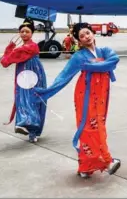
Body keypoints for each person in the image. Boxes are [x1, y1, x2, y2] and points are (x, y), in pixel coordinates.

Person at [33, 22, 121, 179]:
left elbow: (114, 60)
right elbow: (64, 76)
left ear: (92, 33)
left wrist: (92, 66)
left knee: (99, 124)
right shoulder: (78, 57)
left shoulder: (104, 50)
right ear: (79, 41)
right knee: (89, 127)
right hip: (86, 94)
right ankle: (107, 161)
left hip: (101, 94)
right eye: (82, 36)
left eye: (87, 33)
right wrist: (45, 92)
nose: (86, 37)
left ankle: (85, 167)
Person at [0, 19, 48, 143]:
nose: (24, 34)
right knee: (23, 100)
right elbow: (7, 61)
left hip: (34, 76)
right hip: (23, 76)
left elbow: (5, 61)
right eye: (22, 32)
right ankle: (28, 126)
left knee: (32, 100)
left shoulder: (31, 47)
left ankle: (29, 126)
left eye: (27, 31)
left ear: (32, 33)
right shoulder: (21, 49)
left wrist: (10, 49)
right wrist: (10, 48)